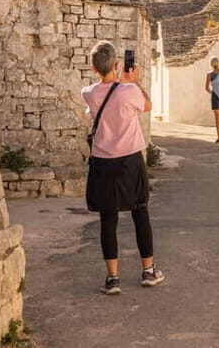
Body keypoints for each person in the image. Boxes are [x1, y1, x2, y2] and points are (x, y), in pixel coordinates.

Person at [81, 40, 164, 295]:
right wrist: (134, 81)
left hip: (103, 162)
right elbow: (148, 106)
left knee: (108, 218)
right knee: (140, 212)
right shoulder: (129, 91)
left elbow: (93, 105)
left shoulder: (89, 93)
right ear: (117, 65)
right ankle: (148, 271)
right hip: (129, 160)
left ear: (94, 69)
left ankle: (112, 278)